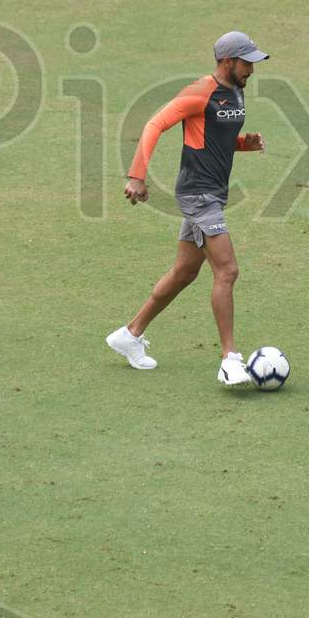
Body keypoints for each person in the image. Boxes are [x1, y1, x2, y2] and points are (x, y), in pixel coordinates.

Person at [106, 32, 270, 385]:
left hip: (214, 192)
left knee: (184, 273)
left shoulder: (235, 92)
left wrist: (244, 143)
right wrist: (136, 176)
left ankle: (130, 335)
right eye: (246, 63)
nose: (252, 69)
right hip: (199, 195)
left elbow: (214, 136)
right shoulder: (199, 93)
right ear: (228, 62)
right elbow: (155, 124)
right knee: (227, 271)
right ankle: (230, 359)